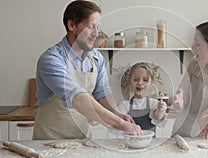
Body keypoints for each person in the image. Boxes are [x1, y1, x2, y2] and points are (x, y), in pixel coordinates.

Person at [33, 0, 141, 140]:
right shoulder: (51, 60)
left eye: (98, 27)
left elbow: (102, 93)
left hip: (82, 139)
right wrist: (119, 123)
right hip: (49, 141)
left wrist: (117, 114)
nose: (96, 34)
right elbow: (77, 98)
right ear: (71, 25)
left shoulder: (96, 58)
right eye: (91, 27)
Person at [118, 62, 168, 132]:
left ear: (151, 84)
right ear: (129, 82)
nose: (140, 82)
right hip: (130, 141)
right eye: (136, 79)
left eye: (145, 80)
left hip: (151, 142)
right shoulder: (124, 105)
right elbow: (118, 123)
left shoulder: (153, 104)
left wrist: (161, 110)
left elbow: (158, 117)